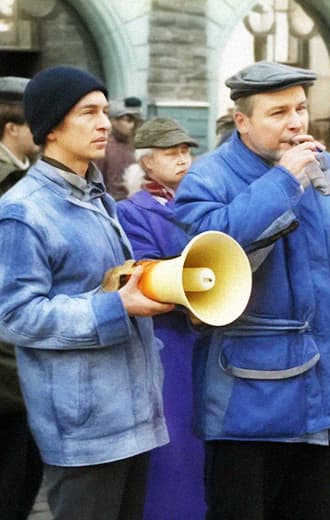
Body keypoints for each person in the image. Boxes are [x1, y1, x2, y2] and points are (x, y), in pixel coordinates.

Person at [174, 60, 330, 520]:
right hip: (248, 404)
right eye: (278, 113)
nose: (296, 122)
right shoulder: (207, 178)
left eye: (300, 108)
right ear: (242, 121)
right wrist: (283, 181)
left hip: (325, 399)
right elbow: (208, 263)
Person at [0, 65, 172, 520]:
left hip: (133, 413)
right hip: (83, 428)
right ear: (52, 127)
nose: (104, 123)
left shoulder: (98, 197)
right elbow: (14, 315)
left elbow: (107, 281)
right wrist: (115, 307)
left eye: (105, 110)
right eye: (88, 112)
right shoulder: (23, 211)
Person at [117, 117, 206, 520]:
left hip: (199, 339)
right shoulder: (131, 210)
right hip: (166, 340)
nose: (183, 160)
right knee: (174, 448)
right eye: (172, 154)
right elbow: (146, 273)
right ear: (147, 163)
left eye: (186, 152)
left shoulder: (197, 201)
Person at [0, 76, 43, 520]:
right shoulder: (9, 180)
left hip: (16, 354)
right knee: (12, 479)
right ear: (12, 127)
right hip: (7, 360)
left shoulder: (20, 173)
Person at [95, 97, 142, 200]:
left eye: (134, 121)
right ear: (113, 121)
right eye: (128, 120)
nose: (132, 125)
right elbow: (96, 184)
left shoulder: (133, 144)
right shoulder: (103, 146)